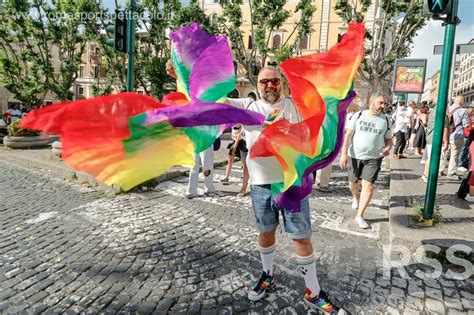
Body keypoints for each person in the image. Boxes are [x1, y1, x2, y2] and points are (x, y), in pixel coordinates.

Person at [227, 67, 345, 314]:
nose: (269, 85)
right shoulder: (247, 107)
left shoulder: (298, 104)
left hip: (292, 185)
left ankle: (312, 291)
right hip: (260, 185)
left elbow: (330, 96)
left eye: (275, 81)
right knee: (266, 233)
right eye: (264, 81)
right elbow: (207, 100)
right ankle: (267, 274)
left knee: (301, 237)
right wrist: (183, 79)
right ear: (257, 85)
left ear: (282, 84)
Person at [340, 94, 393, 229]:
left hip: (374, 158)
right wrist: (343, 154)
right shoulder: (358, 115)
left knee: (368, 186)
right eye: (380, 103)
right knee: (353, 183)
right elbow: (348, 136)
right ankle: (356, 197)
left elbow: (388, 139)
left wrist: (388, 148)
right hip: (355, 156)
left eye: (384, 104)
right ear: (371, 102)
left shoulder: (386, 120)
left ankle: (360, 215)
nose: (383, 106)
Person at [421, 105, 449, 183]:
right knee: (435, 158)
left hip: (430, 138)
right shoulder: (442, 113)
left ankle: (426, 175)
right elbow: (445, 128)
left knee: (430, 158)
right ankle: (431, 178)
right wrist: (446, 141)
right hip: (436, 139)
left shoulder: (432, 112)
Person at [221, 123, 250, 197]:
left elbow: (238, 136)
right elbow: (235, 135)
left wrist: (235, 146)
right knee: (245, 166)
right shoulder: (236, 125)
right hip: (243, 146)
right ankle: (243, 188)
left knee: (249, 166)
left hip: (249, 144)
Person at [447, 96, 468, 179]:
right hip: (457, 135)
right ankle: (451, 173)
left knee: (444, 153)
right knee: (454, 154)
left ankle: (440, 170)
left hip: (447, 134)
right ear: (462, 101)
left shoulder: (448, 108)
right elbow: (466, 124)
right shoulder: (463, 111)